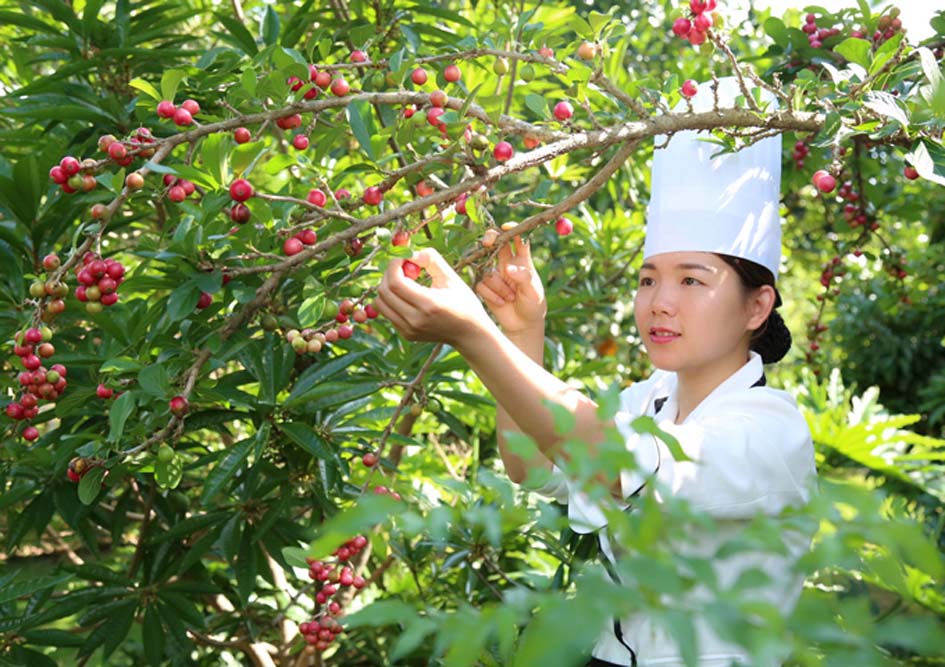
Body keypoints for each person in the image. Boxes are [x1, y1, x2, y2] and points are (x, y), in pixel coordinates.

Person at [373, 77, 817, 667]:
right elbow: (530, 465)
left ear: (757, 307)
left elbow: (609, 462)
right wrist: (521, 332)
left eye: (692, 279)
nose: (659, 302)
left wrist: (474, 335)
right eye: (648, 279)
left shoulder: (771, 431)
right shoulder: (648, 401)